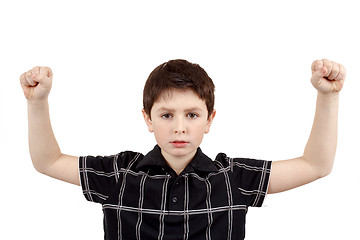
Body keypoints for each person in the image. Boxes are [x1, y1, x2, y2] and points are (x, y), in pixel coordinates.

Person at [20, 59, 346, 240]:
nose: (179, 127)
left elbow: (316, 165)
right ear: (148, 119)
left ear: (209, 119)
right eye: (166, 115)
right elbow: (47, 161)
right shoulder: (121, 174)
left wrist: (328, 97)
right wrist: (38, 102)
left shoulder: (231, 178)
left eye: (192, 115)